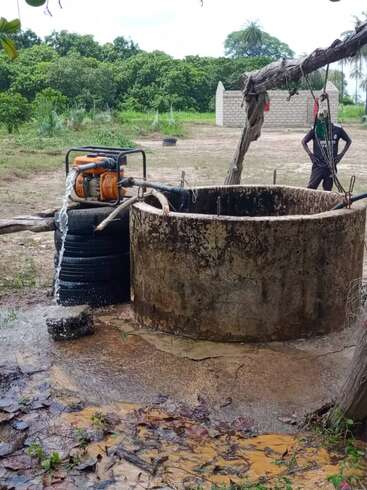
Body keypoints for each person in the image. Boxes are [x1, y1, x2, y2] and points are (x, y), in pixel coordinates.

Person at [302, 108, 352, 191]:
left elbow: (349, 141)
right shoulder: (315, 129)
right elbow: (304, 141)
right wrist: (311, 155)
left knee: (328, 190)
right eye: (319, 121)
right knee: (311, 189)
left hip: (331, 166)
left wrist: (341, 155)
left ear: (328, 119)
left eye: (323, 121)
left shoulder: (338, 129)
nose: (321, 123)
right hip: (318, 166)